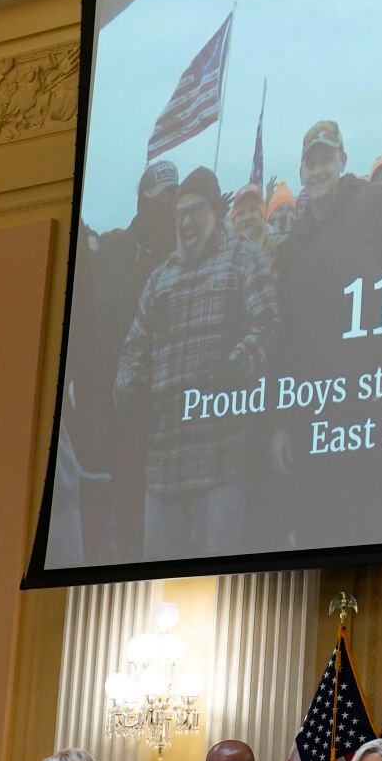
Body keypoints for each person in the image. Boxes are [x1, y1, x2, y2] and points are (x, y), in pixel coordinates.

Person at [269, 120, 382, 549]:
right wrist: (282, 420)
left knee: (368, 524)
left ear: (343, 160)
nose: (318, 169)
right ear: (302, 171)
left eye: (326, 159)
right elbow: (287, 333)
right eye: (310, 162)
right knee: (318, 531)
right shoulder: (296, 241)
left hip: (368, 402)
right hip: (313, 413)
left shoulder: (375, 205)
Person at [116, 166, 276, 561]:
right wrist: (130, 385)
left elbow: (269, 326)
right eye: (180, 213)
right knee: (157, 578)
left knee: (218, 575)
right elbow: (133, 346)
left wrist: (234, 368)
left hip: (221, 458)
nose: (187, 221)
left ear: (216, 212)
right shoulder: (159, 278)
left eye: (196, 210)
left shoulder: (244, 258)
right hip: (164, 462)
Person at [69, 159, 182, 563]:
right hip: (99, 404)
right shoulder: (110, 250)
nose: (168, 208)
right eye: (161, 199)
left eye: (173, 199)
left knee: (137, 511)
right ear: (142, 201)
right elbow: (82, 316)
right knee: (96, 506)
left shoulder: (180, 261)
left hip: (149, 409)